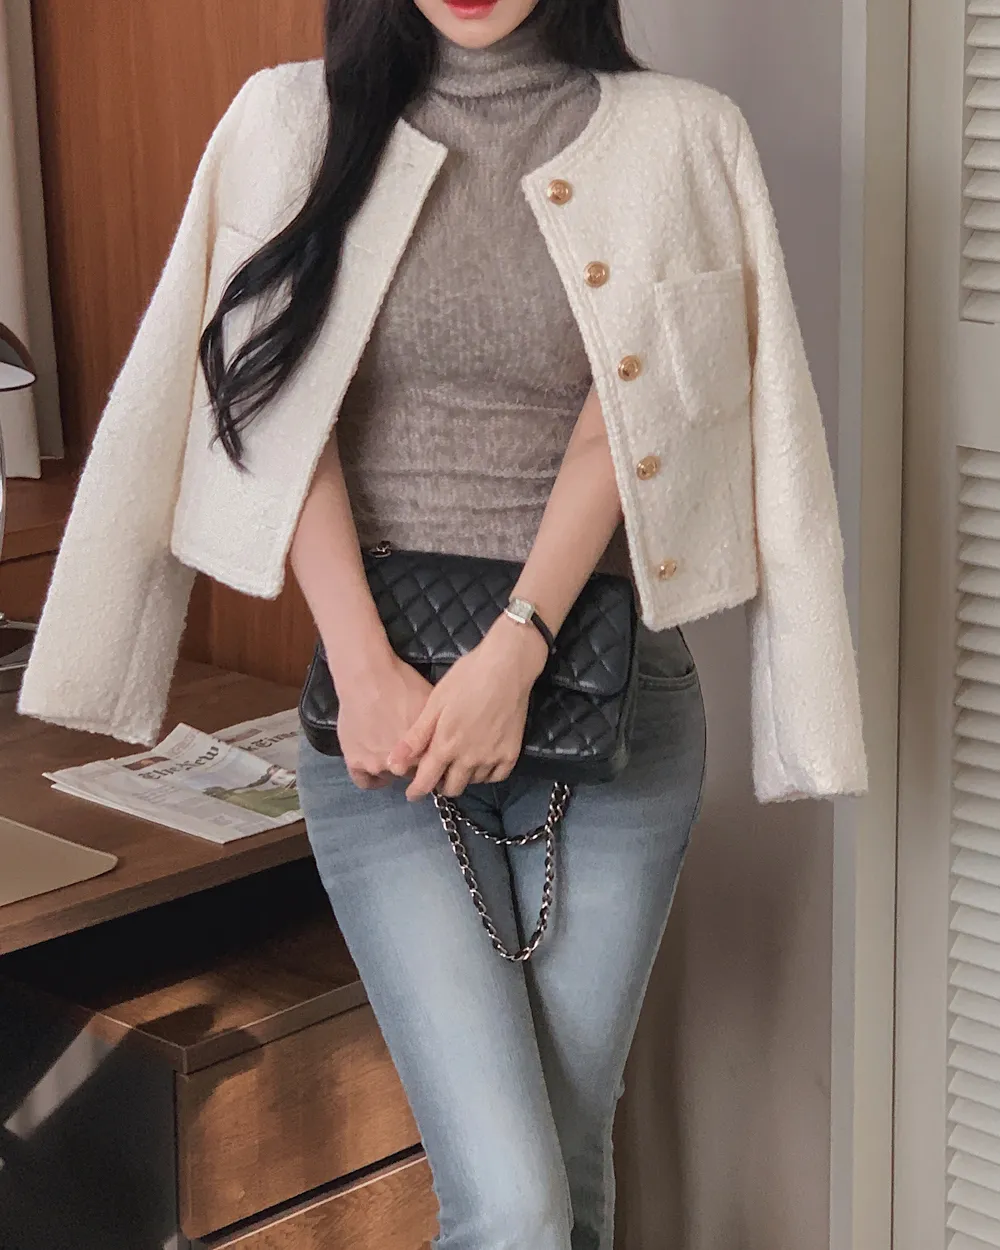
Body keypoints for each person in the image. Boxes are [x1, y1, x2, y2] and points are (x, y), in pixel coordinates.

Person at [18, 0, 868, 1246]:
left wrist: (515, 647)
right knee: (514, 1201)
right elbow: (273, 407)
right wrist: (362, 665)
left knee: (566, 1157)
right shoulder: (286, 121)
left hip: (615, 714)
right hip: (384, 730)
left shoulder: (680, 136)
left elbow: (630, 416)